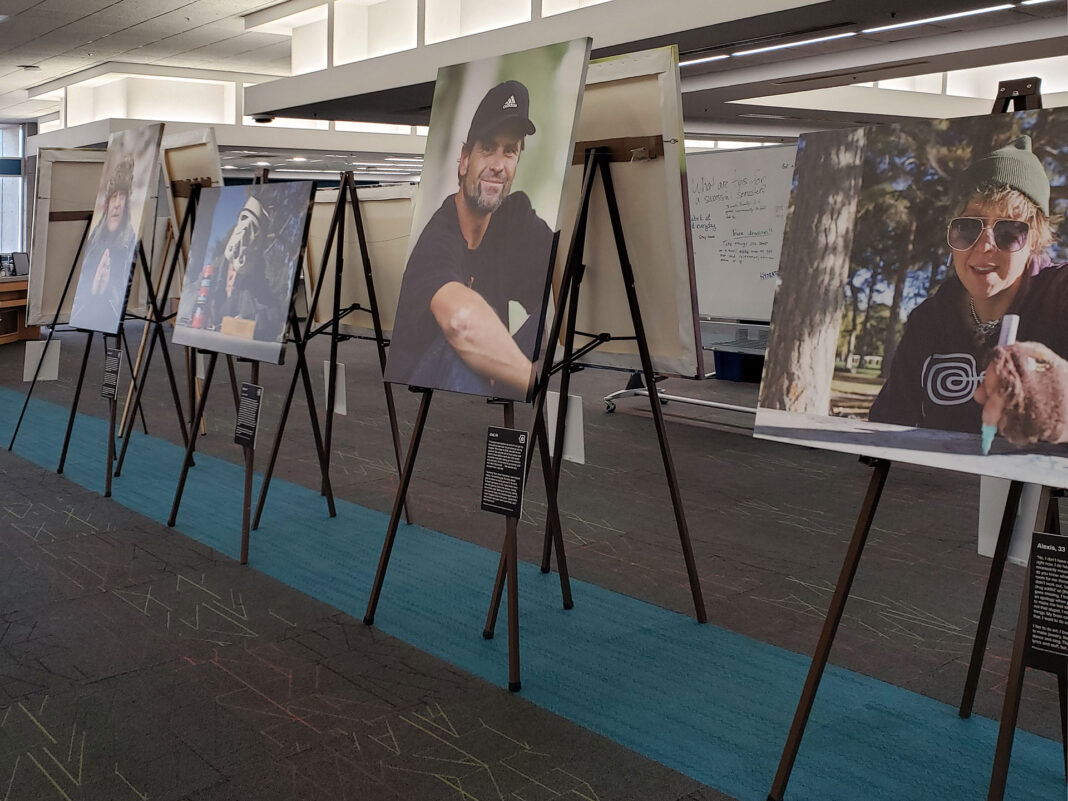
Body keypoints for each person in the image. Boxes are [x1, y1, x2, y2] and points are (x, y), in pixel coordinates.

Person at [868, 135, 1068, 449]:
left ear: (1035, 240)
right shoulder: (929, 320)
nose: (984, 245)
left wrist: (1060, 402)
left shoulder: (1061, 296)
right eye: (968, 227)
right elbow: (889, 422)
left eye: (1009, 230)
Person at [386, 80, 554, 400]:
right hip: (428, 397)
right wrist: (529, 380)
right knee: (456, 347)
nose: (498, 166)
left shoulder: (514, 218)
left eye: (510, 151)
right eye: (487, 148)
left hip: (486, 383)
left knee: (557, 301)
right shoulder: (438, 238)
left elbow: (564, 275)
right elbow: (461, 323)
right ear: (464, 160)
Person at [192, 193, 286, 343]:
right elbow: (191, 294)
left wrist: (239, 323)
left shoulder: (260, 286)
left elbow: (271, 321)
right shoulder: (213, 271)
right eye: (243, 220)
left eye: (254, 228)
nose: (245, 231)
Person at [70, 155, 137, 331]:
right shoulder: (95, 239)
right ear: (107, 203)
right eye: (114, 197)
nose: (117, 204)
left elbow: (122, 293)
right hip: (87, 313)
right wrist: (94, 289)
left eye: (122, 197)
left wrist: (107, 290)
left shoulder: (129, 242)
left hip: (110, 315)